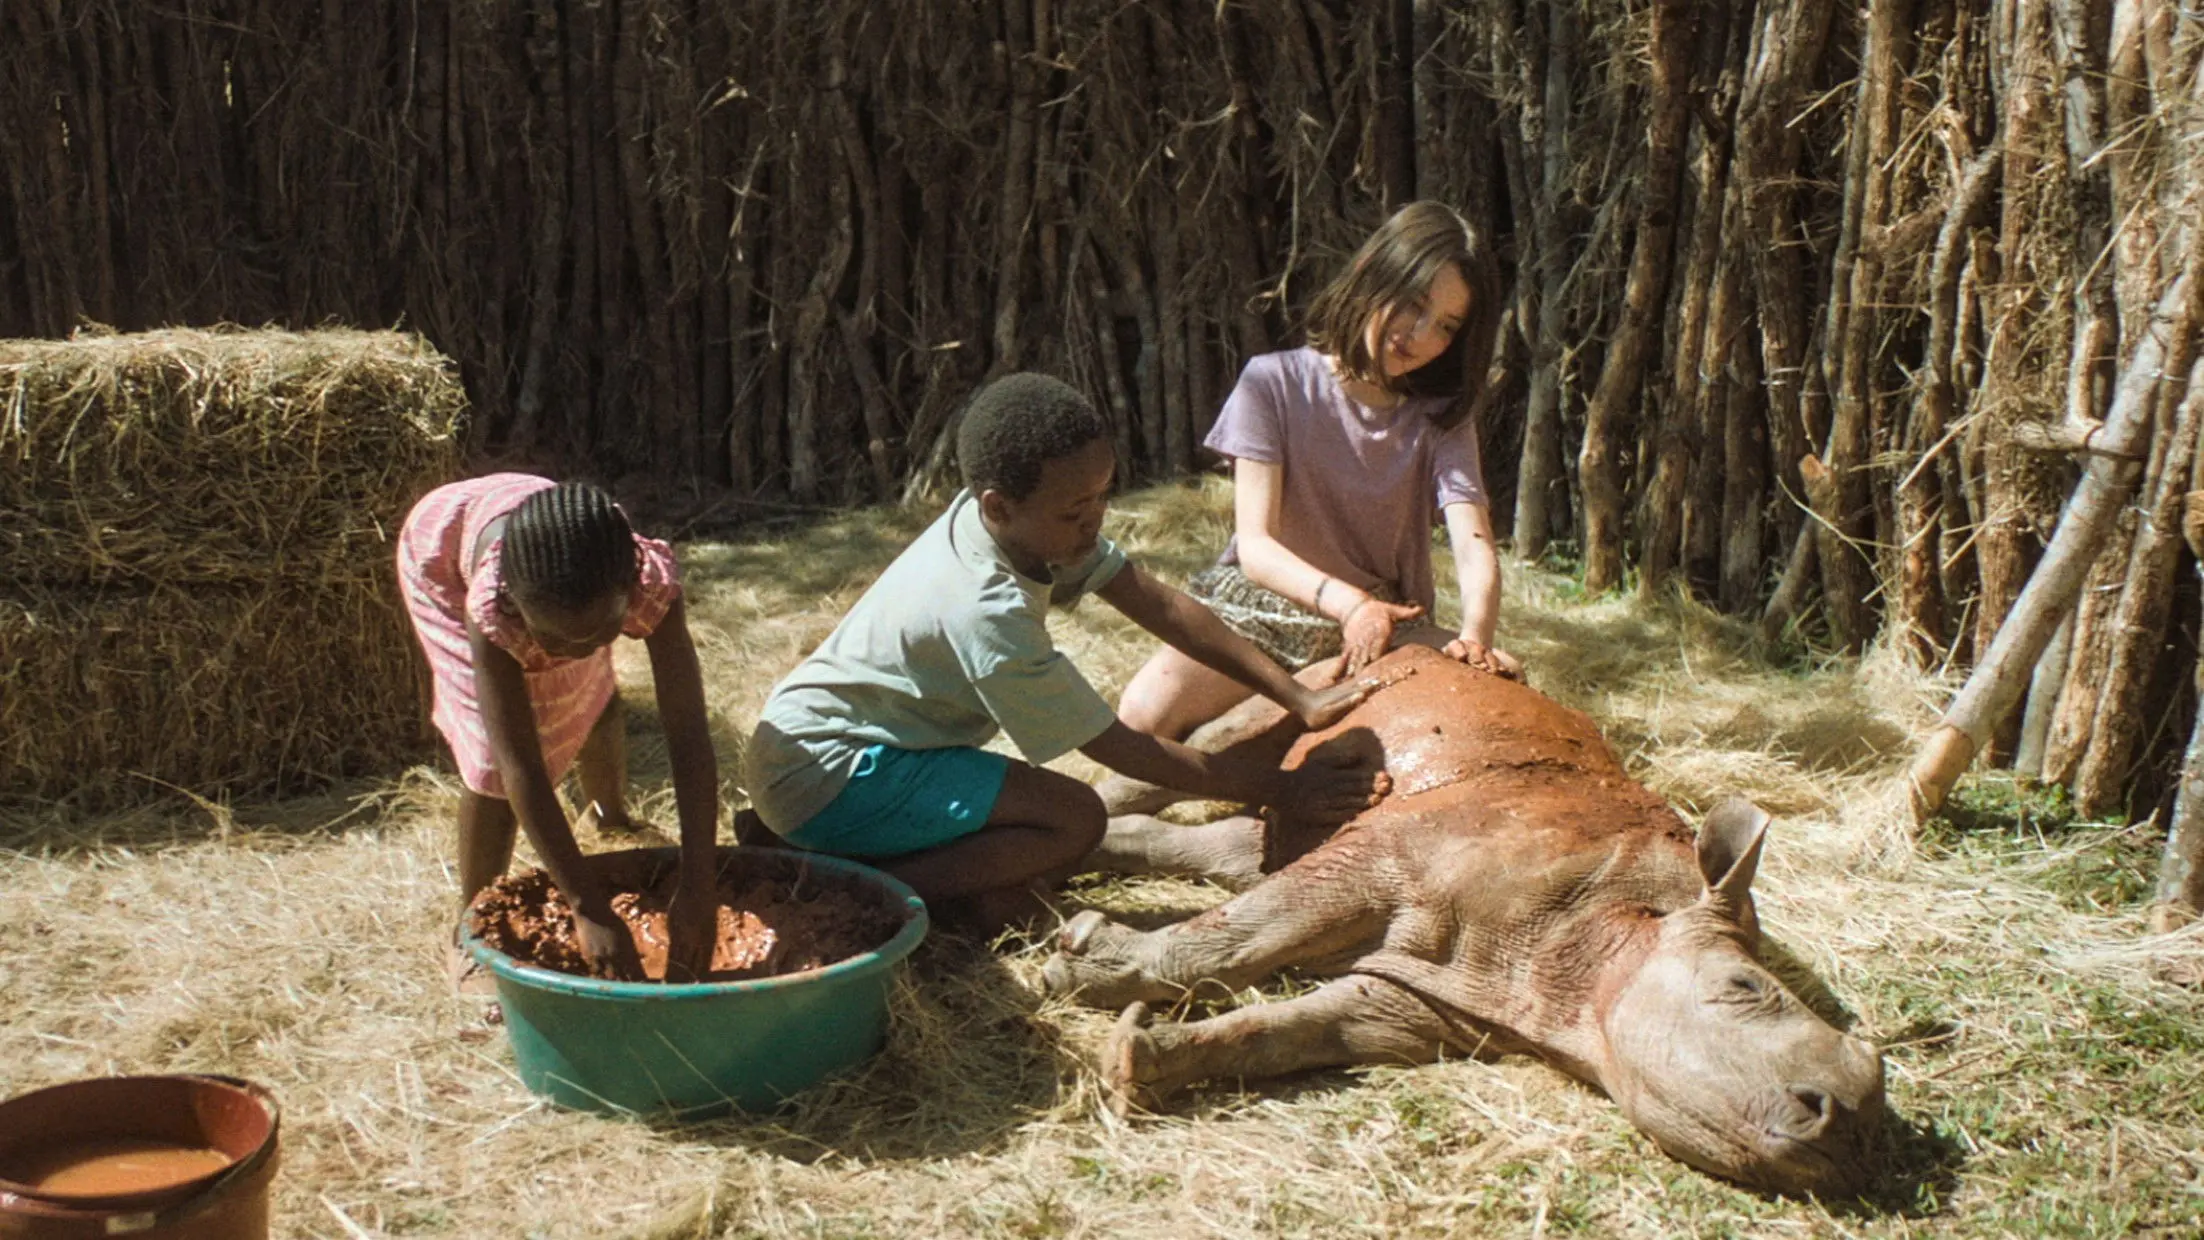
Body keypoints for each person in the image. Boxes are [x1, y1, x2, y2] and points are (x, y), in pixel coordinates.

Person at [742, 373, 1390, 928]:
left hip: (839, 745)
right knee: (1073, 820)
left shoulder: (1022, 527)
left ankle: (838, 854)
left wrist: (1295, 694)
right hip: (831, 773)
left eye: (1104, 495)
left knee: (1035, 837)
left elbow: (1157, 602)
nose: (1096, 519)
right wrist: (1281, 788)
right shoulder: (986, 610)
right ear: (999, 505)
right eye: (1076, 509)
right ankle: (851, 891)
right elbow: (1118, 748)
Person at [1118, 200, 1523, 745]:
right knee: (1141, 718)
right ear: (1368, 273)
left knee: (1511, 685)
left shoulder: (1441, 418)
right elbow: (1256, 547)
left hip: (1386, 623)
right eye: (1412, 303)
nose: (1420, 335)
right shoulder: (1273, 384)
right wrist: (1347, 605)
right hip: (1259, 612)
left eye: (1445, 326)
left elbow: (1474, 544)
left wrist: (1475, 638)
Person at [397, 474, 720, 981]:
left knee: (587, 691)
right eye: (559, 637)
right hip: (443, 555)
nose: (582, 647)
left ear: (628, 590)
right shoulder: (491, 612)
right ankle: (472, 927)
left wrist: (701, 884)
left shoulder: (645, 582)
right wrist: (586, 906)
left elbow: (688, 734)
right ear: (517, 607)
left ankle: (609, 815)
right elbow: (518, 765)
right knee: (489, 766)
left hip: (554, 542)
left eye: (604, 630)